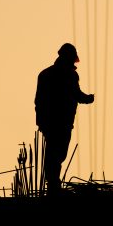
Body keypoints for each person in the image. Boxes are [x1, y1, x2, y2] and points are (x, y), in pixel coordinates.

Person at [34, 43, 94, 195]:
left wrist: (41, 121)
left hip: (50, 122)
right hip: (62, 122)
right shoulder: (69, 75)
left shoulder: (45, 74)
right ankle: (53, 184)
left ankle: (52, 183)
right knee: (58, 152)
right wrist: (89, 98)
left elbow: (38, 101)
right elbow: (76, 94)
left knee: (53, 152)